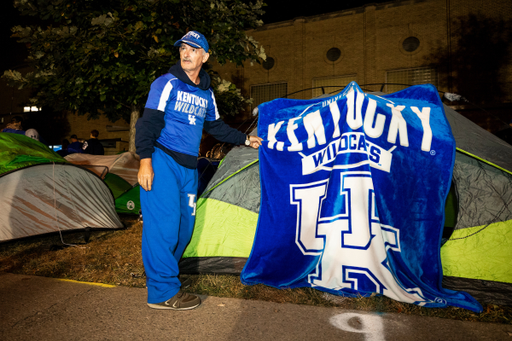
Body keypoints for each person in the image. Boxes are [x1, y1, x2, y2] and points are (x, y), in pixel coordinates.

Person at [135, 30, 262, 311]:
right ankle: (162, 292)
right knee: (164, 228)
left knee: (184, 229)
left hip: (189, 167)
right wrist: (145, 160)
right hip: (162, 160)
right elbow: (147, 123)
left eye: (193, 49)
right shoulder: (165, 84)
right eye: (182, 48)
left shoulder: (205, 93)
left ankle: (164, 275)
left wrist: (245, 139)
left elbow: (216, 127)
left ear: (204, 56)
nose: (185, 52)